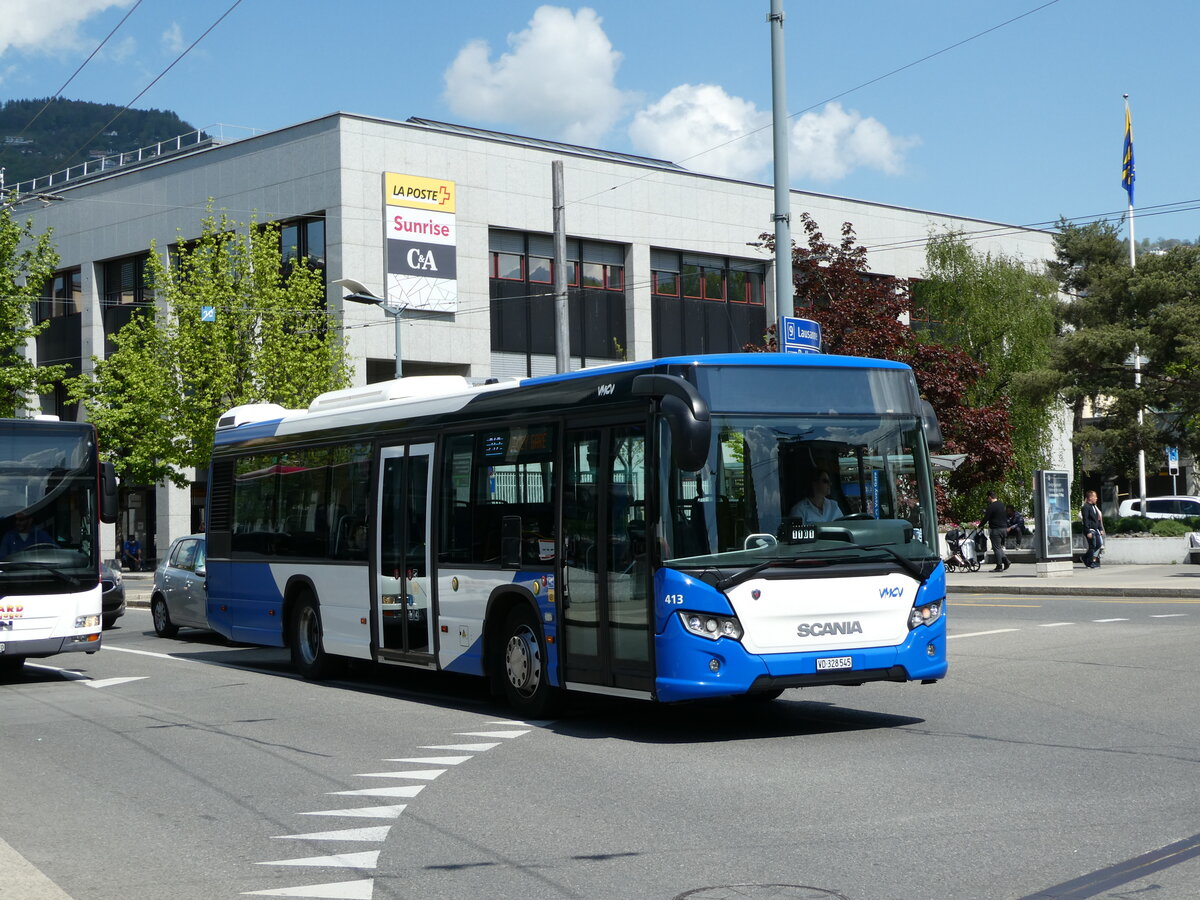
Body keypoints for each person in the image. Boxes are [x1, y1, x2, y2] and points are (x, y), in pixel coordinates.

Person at [979, 490, 1010, 572]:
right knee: (998, 547)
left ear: (990, 497)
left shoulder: (991, 506)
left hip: (996, 529)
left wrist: (980, 525)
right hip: (1004, 529)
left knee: (996, 548)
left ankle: (999, 566)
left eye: (987, 498)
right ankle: (1006, 561)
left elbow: (986, 518)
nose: (987, 499)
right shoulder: (1002, 505)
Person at [1081, 490, 1105, 568]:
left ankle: (1085, 557)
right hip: (1090, 530)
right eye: (1095, 497)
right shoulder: (1085, 507)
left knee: (1098, 544)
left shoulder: (1094, 507)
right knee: (1092, 545)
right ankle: (1090, 562)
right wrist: (1088, 531)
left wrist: (1100, 529)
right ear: (1090, 498)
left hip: (1095, 529)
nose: (1096, 498)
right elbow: (1085, 520)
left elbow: (1097, 520)